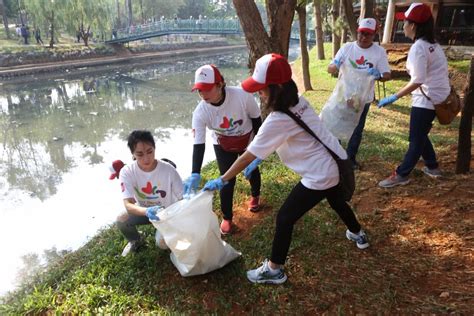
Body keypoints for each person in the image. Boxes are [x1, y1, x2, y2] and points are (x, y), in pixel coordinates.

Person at [202, 54, 369, 284]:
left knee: (285, 218)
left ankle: (274, 269)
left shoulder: (278, 119)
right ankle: (358, 233)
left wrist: (224, 178)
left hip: (320, 173)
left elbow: (247, 155)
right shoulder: (298, 101)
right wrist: (257, 160)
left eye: (262, 88)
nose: (259, 93)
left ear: (278, 87)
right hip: (334, 162)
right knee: (336, 201)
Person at [183, 64, 263, 235]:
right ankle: (227, 217)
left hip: (247, 140)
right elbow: (198, 143)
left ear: (220, 84)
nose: (203, 95)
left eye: (207, 89)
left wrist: (258, 152)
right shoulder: (200, 112)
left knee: (252, 171)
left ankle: (255, 195)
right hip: (222, 144)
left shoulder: (243, 96)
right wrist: (195, 172)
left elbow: (257, 122)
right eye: (199, 90)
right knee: (227, 179)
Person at [378, 3, 449, 188]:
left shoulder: (419, 48)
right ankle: (432, 166)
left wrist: (394, 96)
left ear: (414, 26)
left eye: (406, 22)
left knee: (415, 139)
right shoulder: (433, 45)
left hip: (426, 99)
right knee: (421, 133)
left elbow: (417, 80)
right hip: (437, 96)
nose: (403, 26)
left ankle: (402, 174)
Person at [328, 18, 391, 170]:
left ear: (374, 35)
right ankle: (335, 157)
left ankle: (350, 159)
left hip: (363, 98)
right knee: (337, 124)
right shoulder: (347, 48)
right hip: (343, 95)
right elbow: (330, 69)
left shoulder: (379, 52)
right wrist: (335, 65)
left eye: (368, 35)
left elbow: (387, 74)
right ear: (357, 31)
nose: (363, 37)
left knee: (357, 128)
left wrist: (379, 75)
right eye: (361, 33)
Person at [115, 130, 183, 257]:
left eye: (149, 152)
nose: (146, 159)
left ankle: (166, 232)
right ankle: (136, 241)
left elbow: (183, 198)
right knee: (121, 219)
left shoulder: (168, 170)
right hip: (146, 212)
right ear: (133, 154)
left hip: (167, 213)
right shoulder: (127, 172)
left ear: (154, 149)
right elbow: (128, 204)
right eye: (140, 154)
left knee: (162, 244)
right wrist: (146, 211)